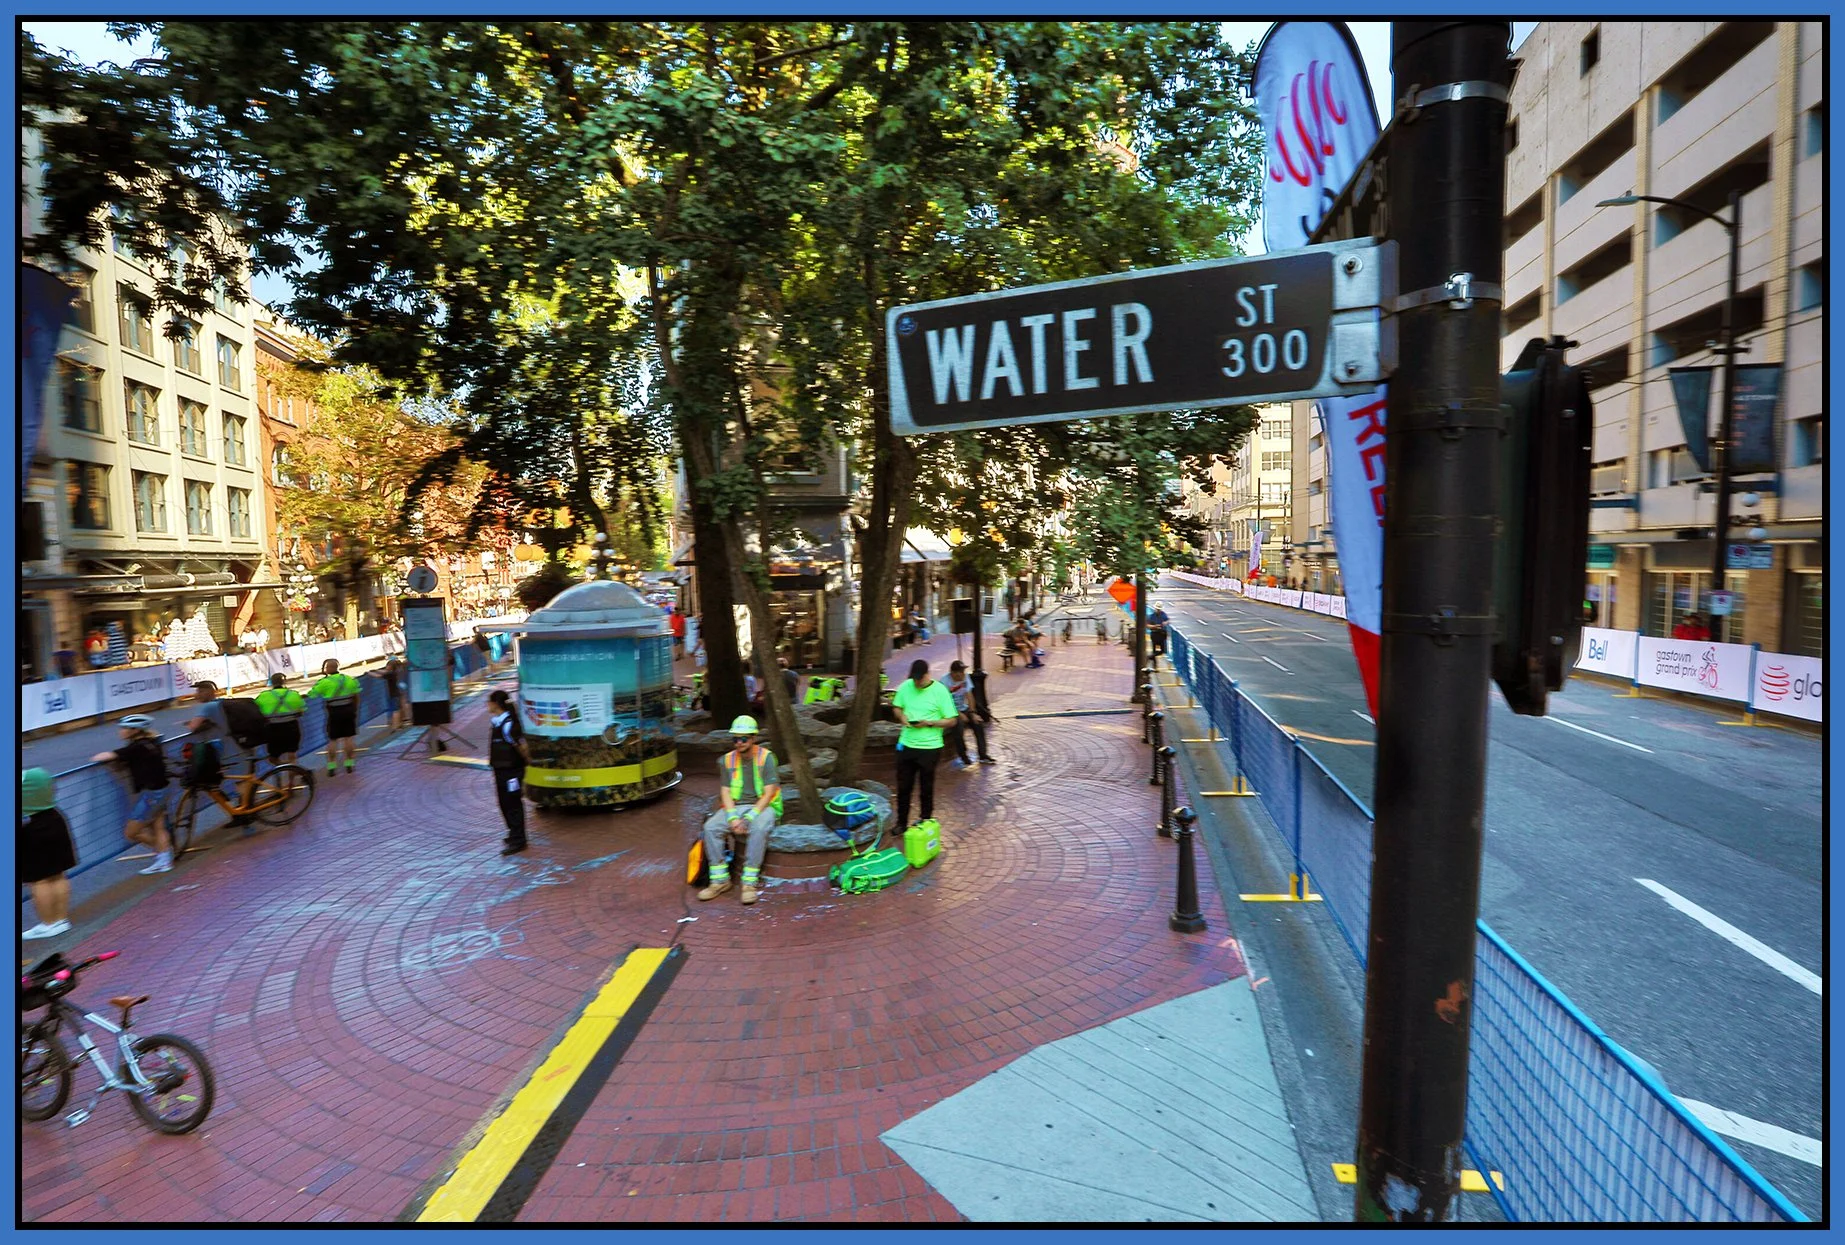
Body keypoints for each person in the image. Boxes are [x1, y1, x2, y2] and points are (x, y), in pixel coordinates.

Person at [698, 715, 782, 906]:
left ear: (753, 738)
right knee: (711, 827)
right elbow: (725, 792)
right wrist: (733, 817)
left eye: (743, 738)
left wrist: (750, 817)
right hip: (737, 806)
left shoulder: (766, 758)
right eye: (735, 738)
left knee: (758, 829)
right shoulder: (726, 761)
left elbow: (769, 793)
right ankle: (720, 881)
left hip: (764, 807)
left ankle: (749, 883)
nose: (739, 742)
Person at [91, 715, 175, 875]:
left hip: (151, 794)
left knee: (132, 833)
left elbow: (105, 756)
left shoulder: (136, 747)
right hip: (162, 789)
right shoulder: (153, 742)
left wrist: (97, 759)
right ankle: (164, 861)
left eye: (124, 728)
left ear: (135, 730)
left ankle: (163, 855)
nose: (120, 732)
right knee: (158, 826)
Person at [890, 658, 958, 830]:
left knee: (926, 786)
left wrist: (930, 723)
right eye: (914, 679)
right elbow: (896, 707)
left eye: (919, 679)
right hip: (906, 744)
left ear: (927, 675)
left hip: (930, 747)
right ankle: (901, 822)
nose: (916, 682)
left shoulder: (940, 691)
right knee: (904, 786)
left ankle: (926, 819)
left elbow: (952, 720)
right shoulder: (906, 686)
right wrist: (902, 716)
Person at [21, 769, 77, 938]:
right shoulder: (39, 773)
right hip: (54, 819)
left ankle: (48, 923)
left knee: (38, 880)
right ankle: (61, 920)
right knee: (58, 875)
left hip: (30, 827)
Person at [486, 689, 530, 855]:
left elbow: (522, 747)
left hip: (512, 772)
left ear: (495, 704)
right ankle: (513, 833)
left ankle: (519, 840)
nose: (487, 705)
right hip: (501, 770)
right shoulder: (497, 722)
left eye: (488, 702)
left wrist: (527, 764)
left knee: (513, 804)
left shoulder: (509, 725)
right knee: (504, 803)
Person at [309, 658, 363, 775]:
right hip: (349, 710)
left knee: (333, 740)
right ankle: (349, 763)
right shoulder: (349, 679)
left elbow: (311, 694)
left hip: (334, 712)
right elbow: (357, 695)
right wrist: (355, 709)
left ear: (327, 669)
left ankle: (331, 766)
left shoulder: (324, 682)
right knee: (349, 738)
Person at [944, 659, 993, 768]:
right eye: (960, 672)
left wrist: (972, 712)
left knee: (978, 724)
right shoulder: (944, 682)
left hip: (963, 708)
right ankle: (963, 756)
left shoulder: (965, 678)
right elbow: (944, 704)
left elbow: (969, 695)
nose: (963, 674)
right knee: (958, 726)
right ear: (953, 673)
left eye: (963, 671)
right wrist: (958, 714)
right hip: (949, 711)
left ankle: (983, 755)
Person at [255, 672, 306, 775]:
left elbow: (256, 712)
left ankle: (283, 767)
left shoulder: (263, 696)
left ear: (271, 682)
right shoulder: (294, 694)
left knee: (273, 758)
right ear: (284, 682)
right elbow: (302, 712)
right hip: (292, 728)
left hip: (273, 730)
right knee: (292, 756)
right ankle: (292, 782)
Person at [383, 658, 409, 731]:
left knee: (397, 709)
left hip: (396, 691)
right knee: (401, 705)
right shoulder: (398, 671)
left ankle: (396, 725)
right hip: (400, 689)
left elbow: (381, 675)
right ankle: (402, 721)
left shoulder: (391, 674)